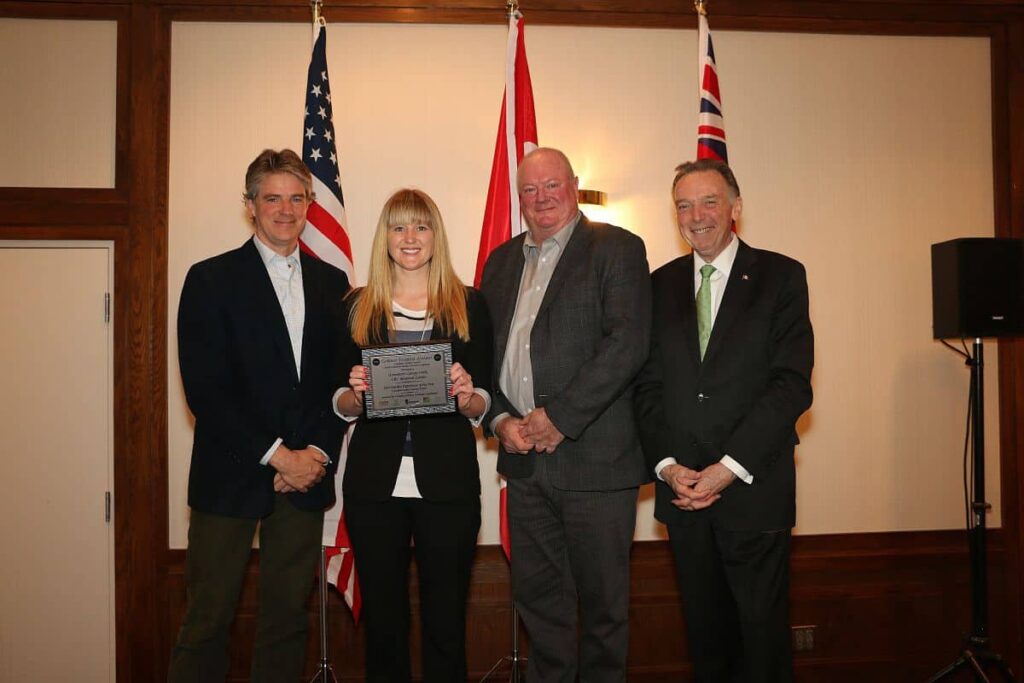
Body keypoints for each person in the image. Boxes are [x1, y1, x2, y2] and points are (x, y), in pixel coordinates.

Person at [169, 148, 351, 682]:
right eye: (272, 198)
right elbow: (206, 391)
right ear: (250, 205)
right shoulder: (210, 279)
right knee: (206, 622)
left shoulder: (332, 282)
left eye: (297, 198)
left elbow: (339, 384)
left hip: (304, 481)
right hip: (229, 478)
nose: (286, 209)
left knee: (286, 622)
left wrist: (314, 455)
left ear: (310, 205)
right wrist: (279, 456)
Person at [634, 159, 814, 683]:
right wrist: (668, 467)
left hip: (754, 493)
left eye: (709, 201)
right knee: (705, 643)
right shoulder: (658, 285)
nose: (697, 215)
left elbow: (790, 385)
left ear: (735, 207)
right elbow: (645, 388)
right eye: (684, 205)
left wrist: (727, 468)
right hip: (684, 496)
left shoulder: (781, 276)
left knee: (762, 645)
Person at [479, 147, 652, 682]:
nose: (541, 198)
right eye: (529, 189)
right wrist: (501, 420)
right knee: (540, 606)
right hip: (525, 465)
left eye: (551, 185)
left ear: (574, 185)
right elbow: (487, 356)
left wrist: (560, 417)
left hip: (596, 462)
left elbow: (627, 344)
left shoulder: (615, 248)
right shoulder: (501, 262)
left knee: (603, 612)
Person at [334, 188, 493, 682]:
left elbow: (485, 402)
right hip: (373, 488)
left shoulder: (469, 304)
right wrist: (352, 396)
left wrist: (469, 395)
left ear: (435, 236)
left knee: (445, 622)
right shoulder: (357, 306)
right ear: (385, 237)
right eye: (399, 227)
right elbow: (336, 401)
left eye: (421, 227)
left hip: (447, 486)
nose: (409, 237)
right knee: (384, 623)